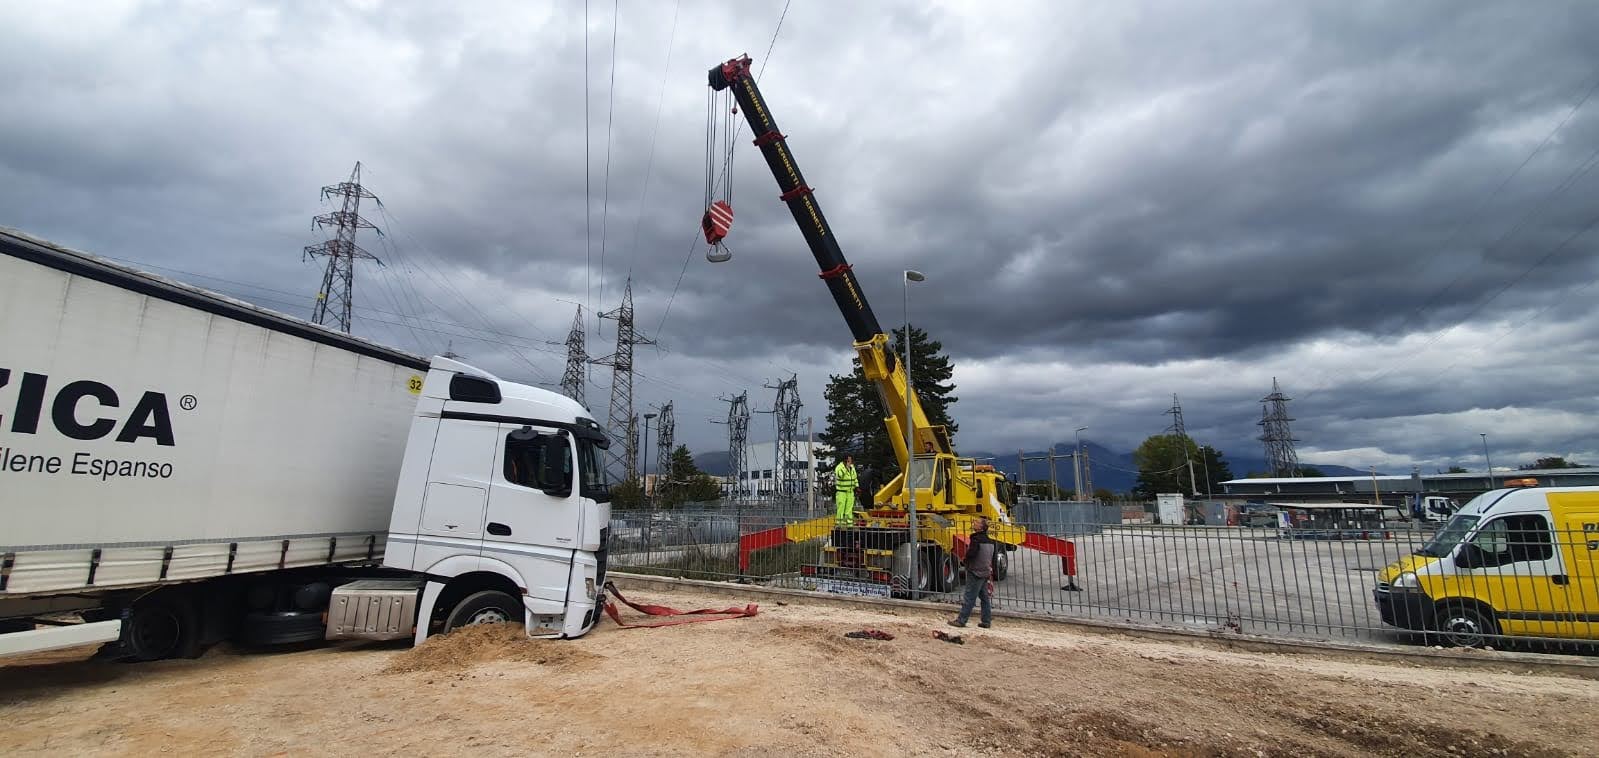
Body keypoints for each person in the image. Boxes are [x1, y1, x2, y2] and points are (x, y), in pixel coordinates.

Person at [950, 516, 997, 628]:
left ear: (981, 527)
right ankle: (986, 621)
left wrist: (965, 560)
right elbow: (993, 557)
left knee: (969, 596)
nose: (974, 523)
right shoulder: (990, 541)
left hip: (975, 571)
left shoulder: (975, 539)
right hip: (985, 571)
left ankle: (962, 620)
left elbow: (972, 553)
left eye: (976, 522)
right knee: (984, 597)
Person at [833, 455, 860, 526]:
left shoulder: (852, 467)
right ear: (845, 461)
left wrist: (857, 487)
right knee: (841, 508)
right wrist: (846, 468)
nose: (850, 462)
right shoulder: (839, 467)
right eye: (848, 460)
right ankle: (839, 524)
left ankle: (849, 524)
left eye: (851, 460)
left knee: (849, 508)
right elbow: (840, 475)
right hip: (842, 492)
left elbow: (855, 478)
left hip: (850, 492)